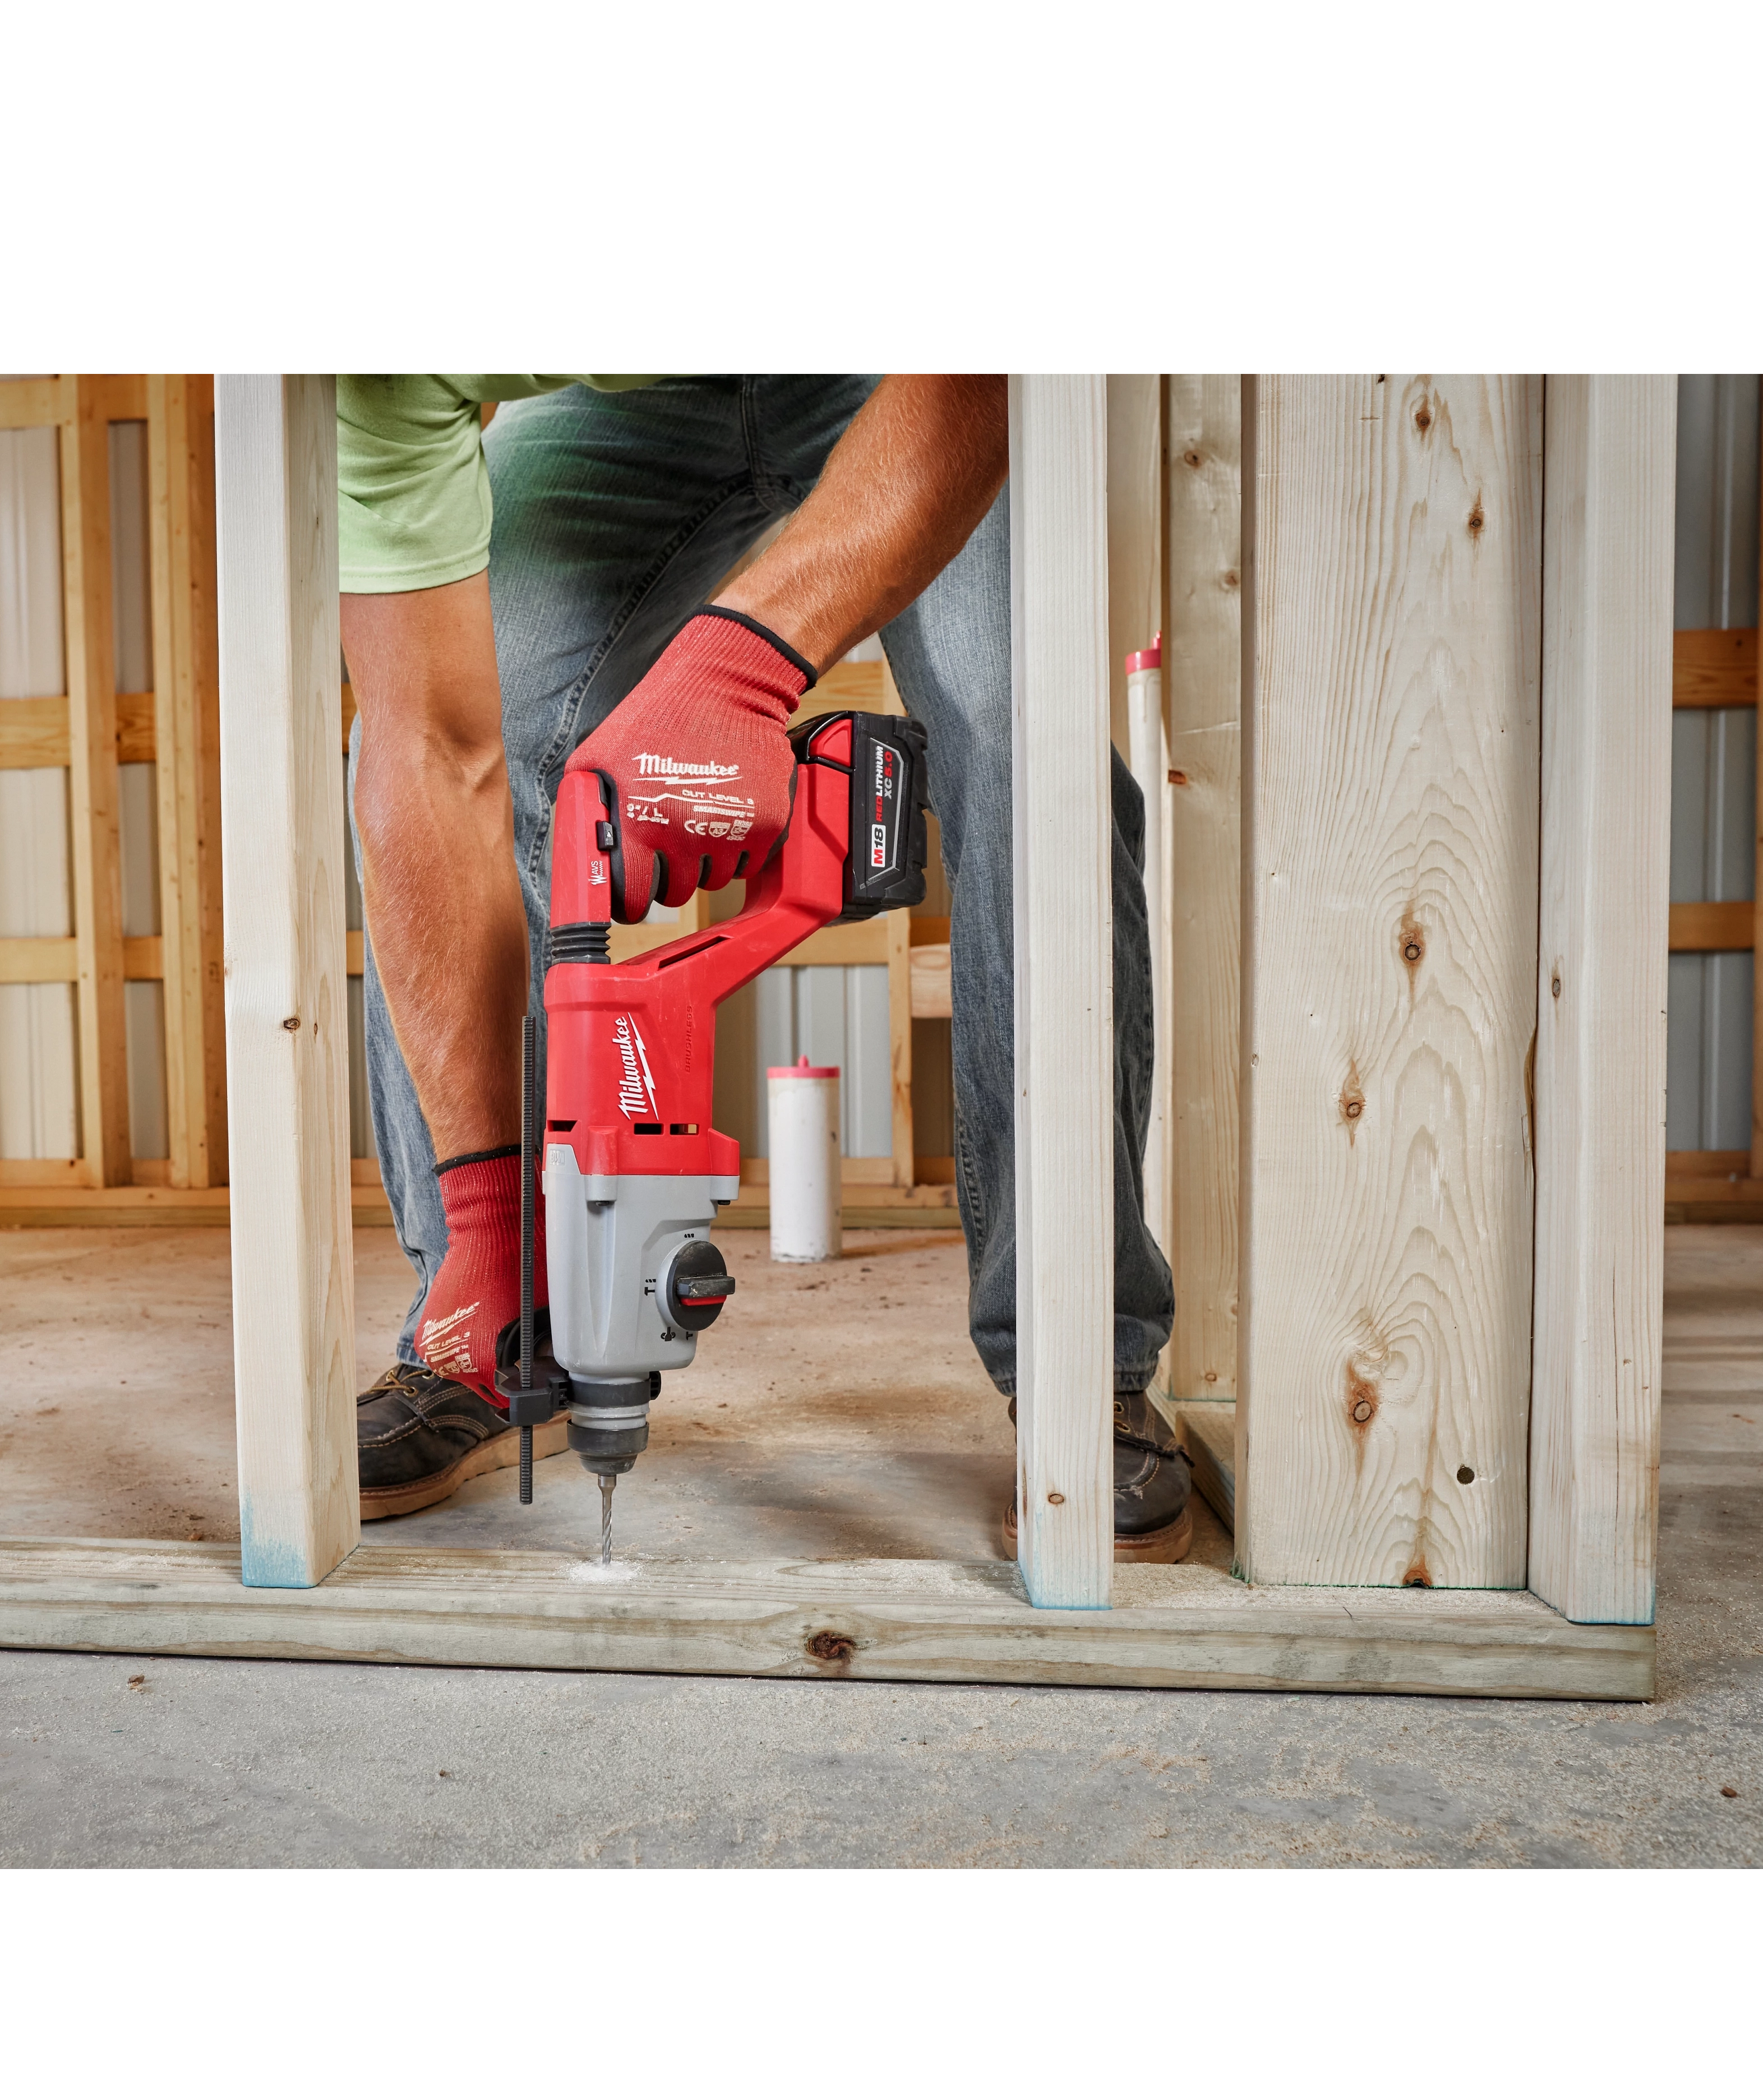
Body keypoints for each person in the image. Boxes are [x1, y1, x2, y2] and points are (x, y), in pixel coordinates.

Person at [338, 373, 1191, 1562]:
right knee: (442, 727)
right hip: (621, 408)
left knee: (1023, 737)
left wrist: (734, 672)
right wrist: (492, 1215)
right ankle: (491, 1316)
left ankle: (1078, 1362)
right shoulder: (365, 385)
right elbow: (430, 749)